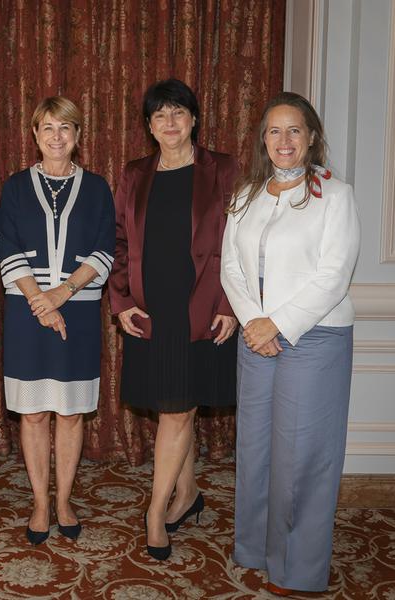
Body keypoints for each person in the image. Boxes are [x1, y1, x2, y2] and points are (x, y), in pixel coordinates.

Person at [220, 91, 360, 595]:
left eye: (294, 130)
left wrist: (277, 323)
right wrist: (256, 323)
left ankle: (298, 569)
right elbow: (230, 267)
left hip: (314, 336)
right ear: (263, 139)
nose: (284, 140)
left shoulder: (336, 195)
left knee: (301, 456)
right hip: (256, 337)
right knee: (256, 449)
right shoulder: (244, 196)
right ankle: (256, 549)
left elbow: (334, 274)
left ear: (312, 137)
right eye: (274, 131)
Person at [109, 79, 239, 561]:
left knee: (178, 409)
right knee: (173, 406)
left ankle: (155, 509)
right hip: (150, 308)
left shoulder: (222, 169)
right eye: (159, 115)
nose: (170, 122)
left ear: (194, 119)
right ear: (148, 125)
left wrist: (229, 305)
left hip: (202, 306)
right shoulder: (135, 173)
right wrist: (122, 303)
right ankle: (188, 495)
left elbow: (238, 244)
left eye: (178, 113)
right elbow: (119, 242)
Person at [0, 96, 115, 545]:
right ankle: (40, 503)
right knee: (31, 415)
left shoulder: (98, 187)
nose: (56, 136)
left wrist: (61, 294)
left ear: (79, 136)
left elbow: (105, 249)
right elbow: (7, 247)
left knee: (70, 414)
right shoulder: (13, 186)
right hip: (27, 312)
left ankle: (64, 498)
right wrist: (40, 302)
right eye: (47, 127)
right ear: (34, 134)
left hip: (79, 310)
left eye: (65, 128)